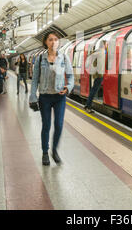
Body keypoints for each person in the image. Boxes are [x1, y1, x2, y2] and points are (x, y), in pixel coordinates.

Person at [29, 31, 74, 166]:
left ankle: (54, 150)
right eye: (50, 40)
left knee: (59, 125)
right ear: (46, 43)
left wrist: (68, 88)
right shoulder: (40, 59)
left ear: (58, 42)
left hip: (60, 97)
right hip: (45, 97)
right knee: (46, 125)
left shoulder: (64, 58)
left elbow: (71, 77)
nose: (53, 42)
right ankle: (45, 152)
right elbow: (35, 79)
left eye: (55, 39)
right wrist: (32, 97)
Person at [84, 42, 106, 113]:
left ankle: (87, 105)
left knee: (93, 90)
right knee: (94, 91)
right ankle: (88, 106)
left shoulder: (97, 52)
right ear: (104, 45)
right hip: (99, 74)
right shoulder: (102, 52)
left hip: (96, 74)